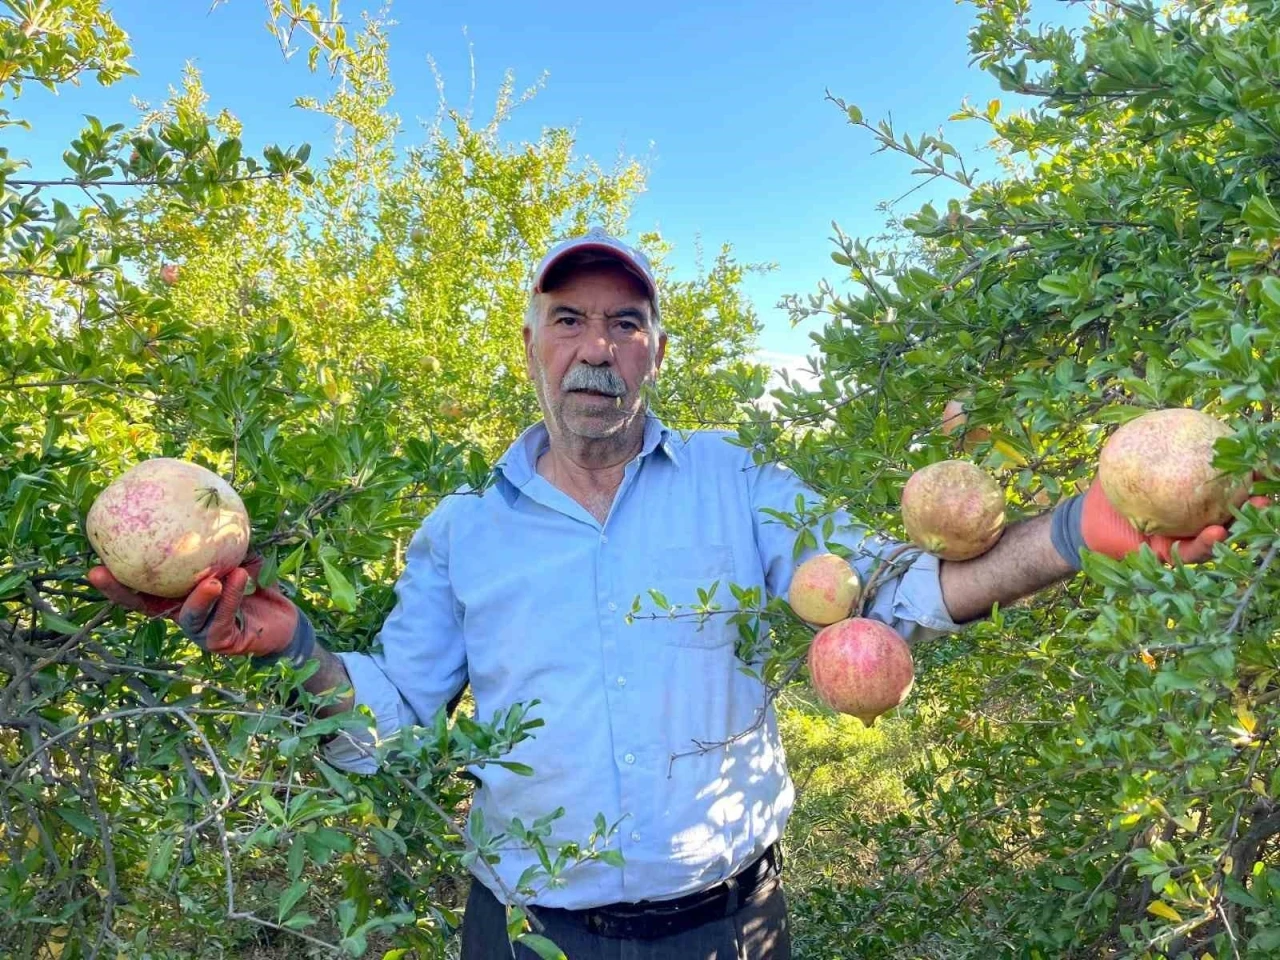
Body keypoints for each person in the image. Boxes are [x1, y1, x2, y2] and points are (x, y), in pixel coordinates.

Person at [87, 227, 1268, 958]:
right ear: (531, 342)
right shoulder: (459, 533)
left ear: (655, 349)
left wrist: (1073, 529)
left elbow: (895, 590)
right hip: (524, 934)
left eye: (623, 324)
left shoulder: (737, 486)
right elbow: (390, 724)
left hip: (728, 926)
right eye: (568, 321)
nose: (594, 348)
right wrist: (295, 653)